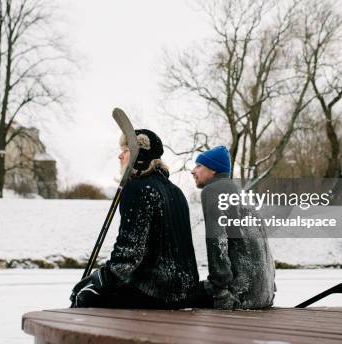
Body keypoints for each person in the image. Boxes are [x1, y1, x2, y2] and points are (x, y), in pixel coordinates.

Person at [70, 129, 200, 309]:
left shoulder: (138, 188)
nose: (119, 156)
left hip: (154, 293)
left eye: (125, 151)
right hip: (185, 293)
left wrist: (100, 280)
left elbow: (130, 254)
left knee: (85, 298)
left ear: (139, 156)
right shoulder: (176, 192)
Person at [191, 145, 276, 309]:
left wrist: (221, 294)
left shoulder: (214, 190)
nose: (193, 171)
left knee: (177, 294)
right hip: (262, 294)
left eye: (199, 166)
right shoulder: (241, 194)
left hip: (238, 296)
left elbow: (218, 243)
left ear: (213, 169)